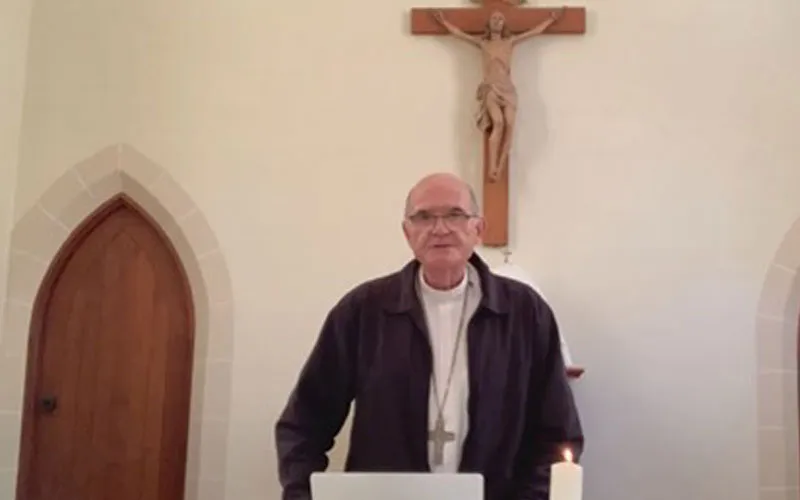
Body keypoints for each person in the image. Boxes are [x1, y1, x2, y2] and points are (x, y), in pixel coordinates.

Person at [275, 172, 584, 500]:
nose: (440, 228)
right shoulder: (363, 311)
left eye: (455, 214)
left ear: (478, 228)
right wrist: (302, 493)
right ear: (407, 232)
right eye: (423, 217)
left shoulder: (524, 313)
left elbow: (557, 432)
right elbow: (304, 423)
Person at [432, 9, 563, 181]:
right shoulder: (483, 43)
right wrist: (443, 22)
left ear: (504, 24)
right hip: (491, 89)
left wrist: (551, 20)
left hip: (508, 90)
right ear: (489, 23)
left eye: (500, 19)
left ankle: (500, 166)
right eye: (494, 18)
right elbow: (460, 34)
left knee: (509, 124)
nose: (497, 21)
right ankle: (492, 166)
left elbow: (534, 32)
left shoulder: (510, 42)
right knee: (498, 122)